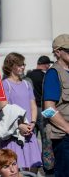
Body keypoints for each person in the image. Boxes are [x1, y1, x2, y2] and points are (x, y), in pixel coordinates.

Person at [0, 52, 42, 174]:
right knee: (13, 168)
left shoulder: (27, 84)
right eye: (20, 64)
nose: (23, 67)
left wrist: (32, 123)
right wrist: (19, 126)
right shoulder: (5, 84)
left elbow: (33, 106)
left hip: (29, 131)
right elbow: (4, 109)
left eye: (23, 64)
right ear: (11, 66)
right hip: (13, 134)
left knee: (33, 165)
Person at [43, 34, 69, 176]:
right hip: (64, 137)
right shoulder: (54, 73)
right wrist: (68, 128)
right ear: (58, 52)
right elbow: (48, 110)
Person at [26, 55, 53, 140]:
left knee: (31, 137)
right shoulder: (46, 76)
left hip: (31, 109)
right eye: (48, 65)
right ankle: (46, 153)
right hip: (43, 108)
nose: (49, 67)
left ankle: (34, 153)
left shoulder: (28, 75)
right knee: (46, 136)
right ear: (45, 65)